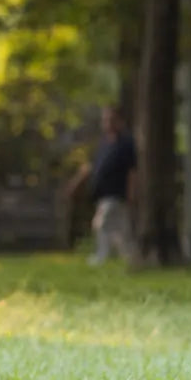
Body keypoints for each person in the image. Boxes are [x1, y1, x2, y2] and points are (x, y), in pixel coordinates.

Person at [64, 105, 138, 265]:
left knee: (102, 224)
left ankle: (101, 256)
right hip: (103, 194)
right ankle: (130, 257)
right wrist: (76, 182)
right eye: (105, 120)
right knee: (121, 230)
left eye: (111, 120)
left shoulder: (126, 143)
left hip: (117, 192)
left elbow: (133, 171)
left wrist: (131, 193)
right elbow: (92, 167)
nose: (107, 123)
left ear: (120, 121)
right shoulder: (104, 144)